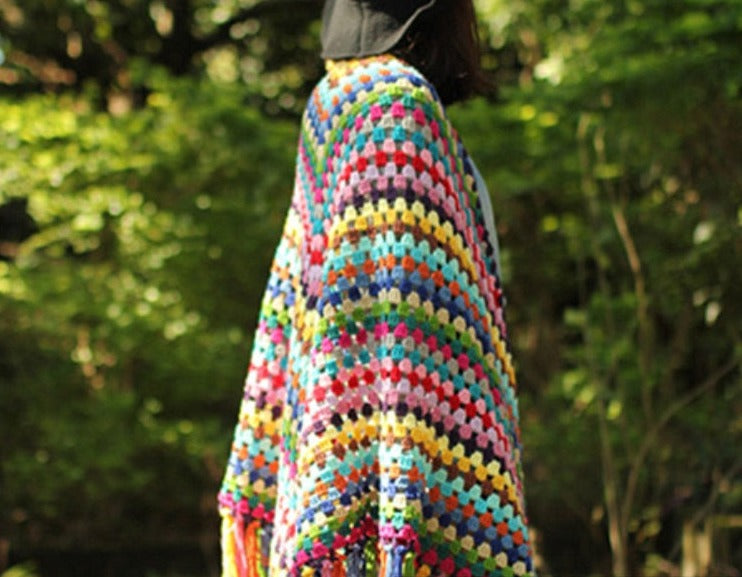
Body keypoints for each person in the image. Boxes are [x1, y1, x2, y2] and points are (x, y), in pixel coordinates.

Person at [217, 1, 534, 576]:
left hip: (331, 484)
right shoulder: (397, 104)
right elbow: (404, 339)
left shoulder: (332, 101)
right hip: (394, 523)